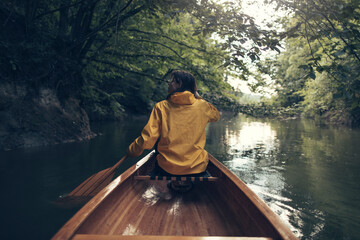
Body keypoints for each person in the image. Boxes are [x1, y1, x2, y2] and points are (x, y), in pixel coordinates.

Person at [127, 70, 220, 190]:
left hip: (167, 168)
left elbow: (148, 138)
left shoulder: (161, 106)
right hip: (196, 167)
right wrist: (198, 96)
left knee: (157, 149)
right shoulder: (203, 106)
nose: (169, 84)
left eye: (172, 81)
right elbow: (215, 115)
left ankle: (174, 181)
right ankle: (185, 182)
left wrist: (132, 151)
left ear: (179, 84)